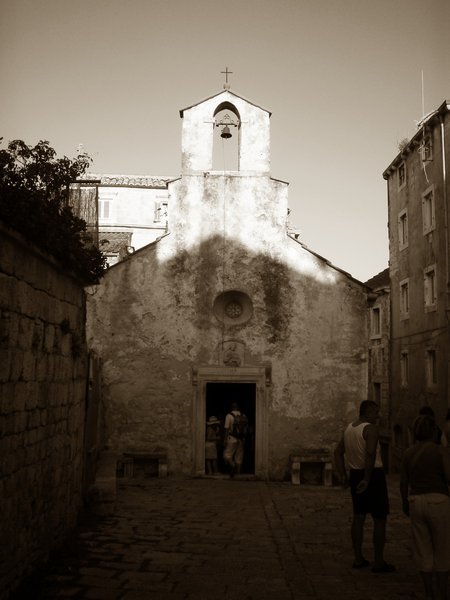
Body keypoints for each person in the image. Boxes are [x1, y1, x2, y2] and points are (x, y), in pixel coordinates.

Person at [334, 400, 395, 572]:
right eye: (377, 412)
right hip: (372, 475)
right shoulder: (370, 429)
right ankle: (378, 561)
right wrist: (367, 479)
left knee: (359, 517)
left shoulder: (349, 428)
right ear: (368, 413)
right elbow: (370, 454)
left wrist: (343, 476)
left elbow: (337, 453)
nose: (379, 416)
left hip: (355, 474)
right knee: (379, 518)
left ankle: (358, 558)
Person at [400, 414, 450, 600]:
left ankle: (429, 593)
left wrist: (405, 501)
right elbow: (448, 476)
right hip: (438, 500)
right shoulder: (440, 451)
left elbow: (403, 481)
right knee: (442, 550)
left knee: (423, 550)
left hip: (415, 501)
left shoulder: (408, 453)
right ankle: (443, 595)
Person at [223, 402, 248, 478]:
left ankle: (232, 465)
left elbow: (227, 429)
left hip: (232, 438)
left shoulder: (229, 416)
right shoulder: (243, 415)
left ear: (231, 407)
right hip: (241, 439)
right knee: (239, 456)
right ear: (238, 407)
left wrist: (225, 439)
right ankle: (238, 474)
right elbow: (246, 429)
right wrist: (244, 438)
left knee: (227, 455)